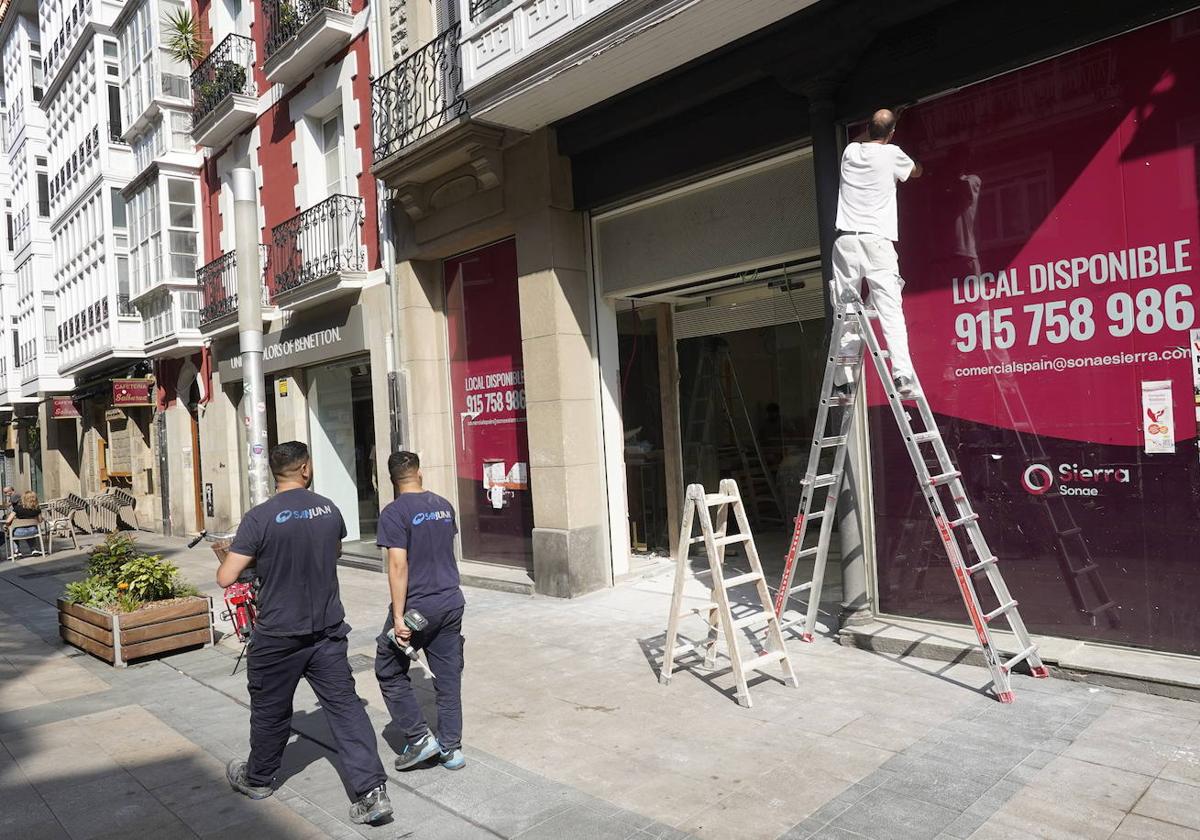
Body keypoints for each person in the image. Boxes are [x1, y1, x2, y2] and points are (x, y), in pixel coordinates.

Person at [217, 441, 393, 826]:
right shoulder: (329, 508)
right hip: (327, 629)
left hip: (278, 633)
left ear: (275, 474)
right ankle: (372, 792)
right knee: (345, 708)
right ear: (306, 469)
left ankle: (259, 778)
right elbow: (332, 554)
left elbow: (226, 576)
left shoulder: (259, 517)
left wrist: (259, 564)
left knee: (270, 710)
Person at [374, 451, 467, 772]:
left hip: (418, 607)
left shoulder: (393, 513)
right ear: (420, 473)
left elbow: (398, 565)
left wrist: (398, 617)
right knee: (448, 676)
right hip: (451, 601)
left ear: (391, 479)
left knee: (387, 668)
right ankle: (451, 749)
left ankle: (418, 738)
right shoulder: (443, 506)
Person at [832, 108, 924, 398]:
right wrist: (907, 155)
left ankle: (843, 382)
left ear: (868, 129)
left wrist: (881, 127)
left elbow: (866, 139)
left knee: (846, 310)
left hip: (846, 242)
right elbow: (916, 171)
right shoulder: (894, 154)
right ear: (892, 133)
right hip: (877, 242)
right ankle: (902, 376)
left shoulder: (850, 152)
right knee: (890, 309)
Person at [6, 490, 43, 557]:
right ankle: (34, 549)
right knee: (30, 528)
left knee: (12, 531)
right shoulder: (37, 509)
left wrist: (8, 527)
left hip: (19, 533)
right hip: (33, 531)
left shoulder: (17, 508)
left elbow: (8, 521)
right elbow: (40, 521)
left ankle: (17, 552)